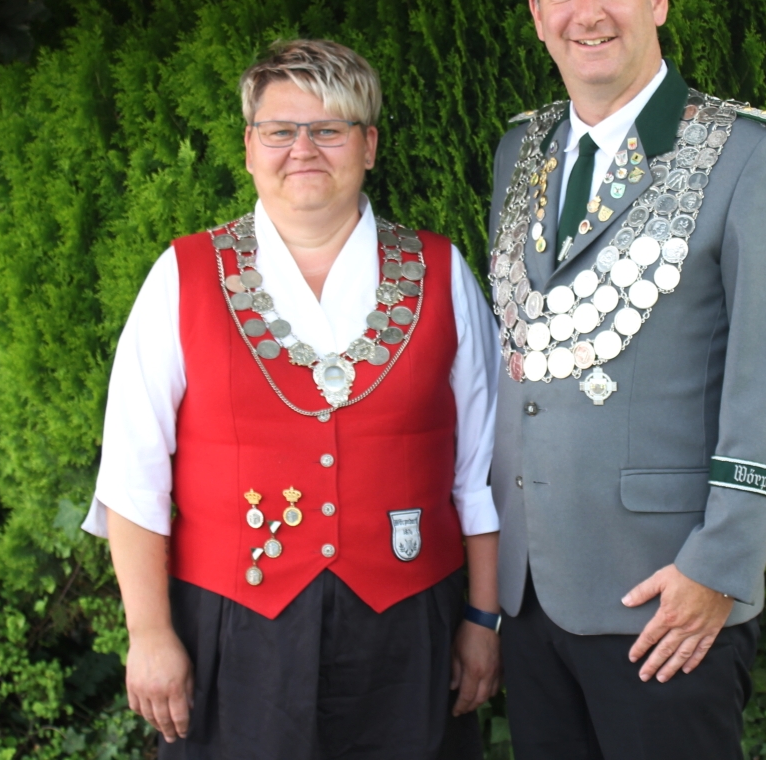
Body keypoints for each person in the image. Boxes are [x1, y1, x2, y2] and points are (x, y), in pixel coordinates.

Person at [83, 39, 502, 759]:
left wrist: (483, 619)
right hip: (232, 628)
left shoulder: (443, 271)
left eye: (328, 129)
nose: (302, 149)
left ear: (369, 146)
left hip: (409, 628)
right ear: (250, 148)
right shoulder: (182, 276)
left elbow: (482, 471)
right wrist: (149, 634)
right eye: (280, 130)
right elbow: (133, 479)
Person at [487, 0, 766, 759]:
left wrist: (721, 566)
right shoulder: (520, 153)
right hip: (531, 594)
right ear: (537, 13)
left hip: (666, 595)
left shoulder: (751, 156)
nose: (586, 13)